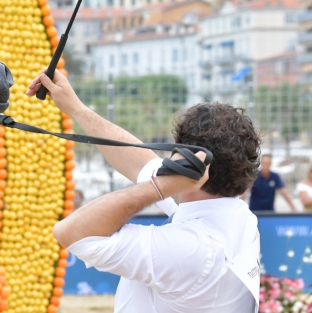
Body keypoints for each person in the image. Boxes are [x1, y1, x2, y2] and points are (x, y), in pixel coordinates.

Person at [27, 70, 261, 312]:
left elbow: (71, 232)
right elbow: (139, 161)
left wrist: (159, 187)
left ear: (186, 161)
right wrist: (76, 108)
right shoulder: (235, 214)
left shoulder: (193, 249)